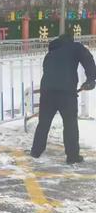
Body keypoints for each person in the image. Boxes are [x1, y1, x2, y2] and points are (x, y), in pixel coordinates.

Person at [31, 33, 96, 164]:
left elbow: (47, 70)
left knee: (43, 122)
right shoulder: (75, 47)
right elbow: (88, 60)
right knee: (70, 124)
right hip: (66, 93)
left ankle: (36, 151)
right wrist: (91, 79)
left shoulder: (50, 53)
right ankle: (72, 156)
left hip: (47, 92)